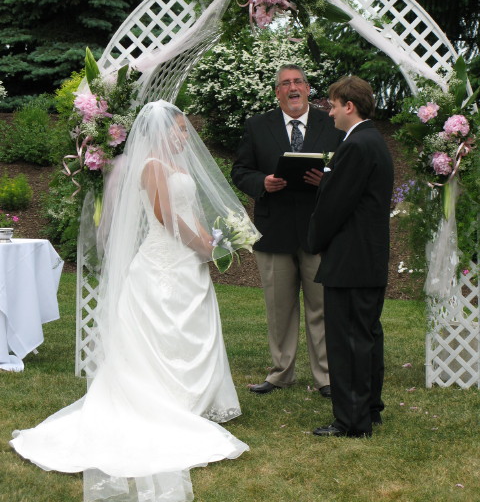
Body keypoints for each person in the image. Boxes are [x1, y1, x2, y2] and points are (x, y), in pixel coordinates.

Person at [10, 100, 260, 502]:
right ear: (161, 132)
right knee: (160, 331)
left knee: (189, 328)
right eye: (179, 129)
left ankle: (192, 399)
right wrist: (201, 246)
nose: (185, 135)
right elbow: (165, 217)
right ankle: (161, 400)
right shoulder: (152, 167)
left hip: (187, 262)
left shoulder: (176, 166)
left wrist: (212, 244)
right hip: (163, 262)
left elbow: (189, 212)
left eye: (185, 129)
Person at [231, 65, 344, 396]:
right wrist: (262, 182)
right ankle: (281, 373)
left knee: (322, 306)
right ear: (277, 92)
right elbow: (240, 171)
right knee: (279, 308)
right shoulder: (257, 126)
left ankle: (326, 377)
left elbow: (348, 169)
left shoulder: (332, 123)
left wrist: (327, 181)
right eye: (285, 84)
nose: (292, 88)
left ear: (307, 88)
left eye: (298, 82)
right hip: (274, 230)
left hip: (318, 230)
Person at [308, 76, 394, 438]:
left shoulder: (356, 145)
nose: (329, 113)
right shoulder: (372, 140)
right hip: (367, 257)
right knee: (366, 335)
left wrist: (314, 240)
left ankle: (352, 420)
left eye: (332, 105)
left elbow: (335, 205)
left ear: (349, 106)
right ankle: (369, 408)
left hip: (350, 260)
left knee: (348, 341)